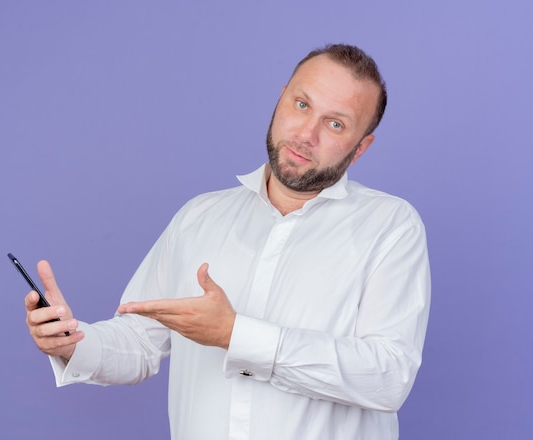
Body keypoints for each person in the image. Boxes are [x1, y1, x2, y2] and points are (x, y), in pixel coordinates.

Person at [25, 43, 431, 440]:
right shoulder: (199, 217)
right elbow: (139, 344)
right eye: (301, 105)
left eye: (336, 123)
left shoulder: (391, 226)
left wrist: (236, 335)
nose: (306, 134)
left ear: (361, 148)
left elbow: (387, 377)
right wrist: (72, 342)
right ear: (280, 100)